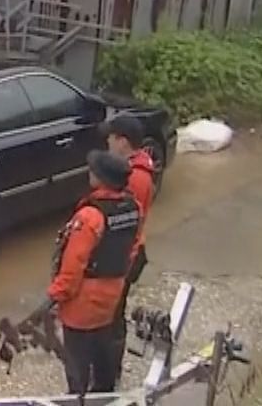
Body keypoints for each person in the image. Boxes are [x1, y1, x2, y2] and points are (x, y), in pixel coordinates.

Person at [49, 150, 143, 396]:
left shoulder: (90, 216)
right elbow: (133, 249)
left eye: (93, 170)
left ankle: (78, 398)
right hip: (112, 296)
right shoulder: (134, 208)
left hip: (82, 304)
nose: (89, 172)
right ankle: (106, 397)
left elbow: (72, 269)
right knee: (103, 361)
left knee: (77, 367)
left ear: (101, 178)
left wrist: (52, 297)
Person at [102, 115, 159, 376]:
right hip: (131, 250)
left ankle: (110, 371)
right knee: (113, 311)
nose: (108, 142)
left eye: (111, 138)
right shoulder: (139, 169)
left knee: (113, 314)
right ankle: (108, 366)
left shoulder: (134, 178)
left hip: (126, 254)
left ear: (123, 142)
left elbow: (123, 220)